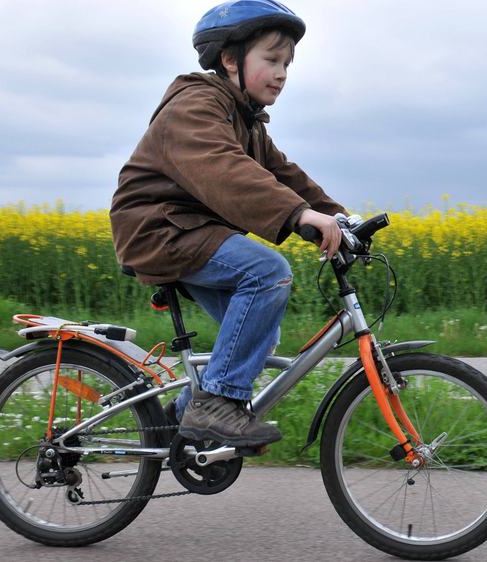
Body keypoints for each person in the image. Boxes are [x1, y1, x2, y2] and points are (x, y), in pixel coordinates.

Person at [110, 1, 344, 447]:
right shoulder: (196, 105)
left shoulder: (246, 118)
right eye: (272, 60)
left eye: (287, 64)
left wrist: (338, 218)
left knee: (261, 330)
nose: (282, 73)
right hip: (158, 230)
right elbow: (223, 167)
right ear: (230, 59)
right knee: (268, 273)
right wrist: (296, 215)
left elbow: (282, 173)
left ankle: (174, 426)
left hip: (189, 231)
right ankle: (214, 404)